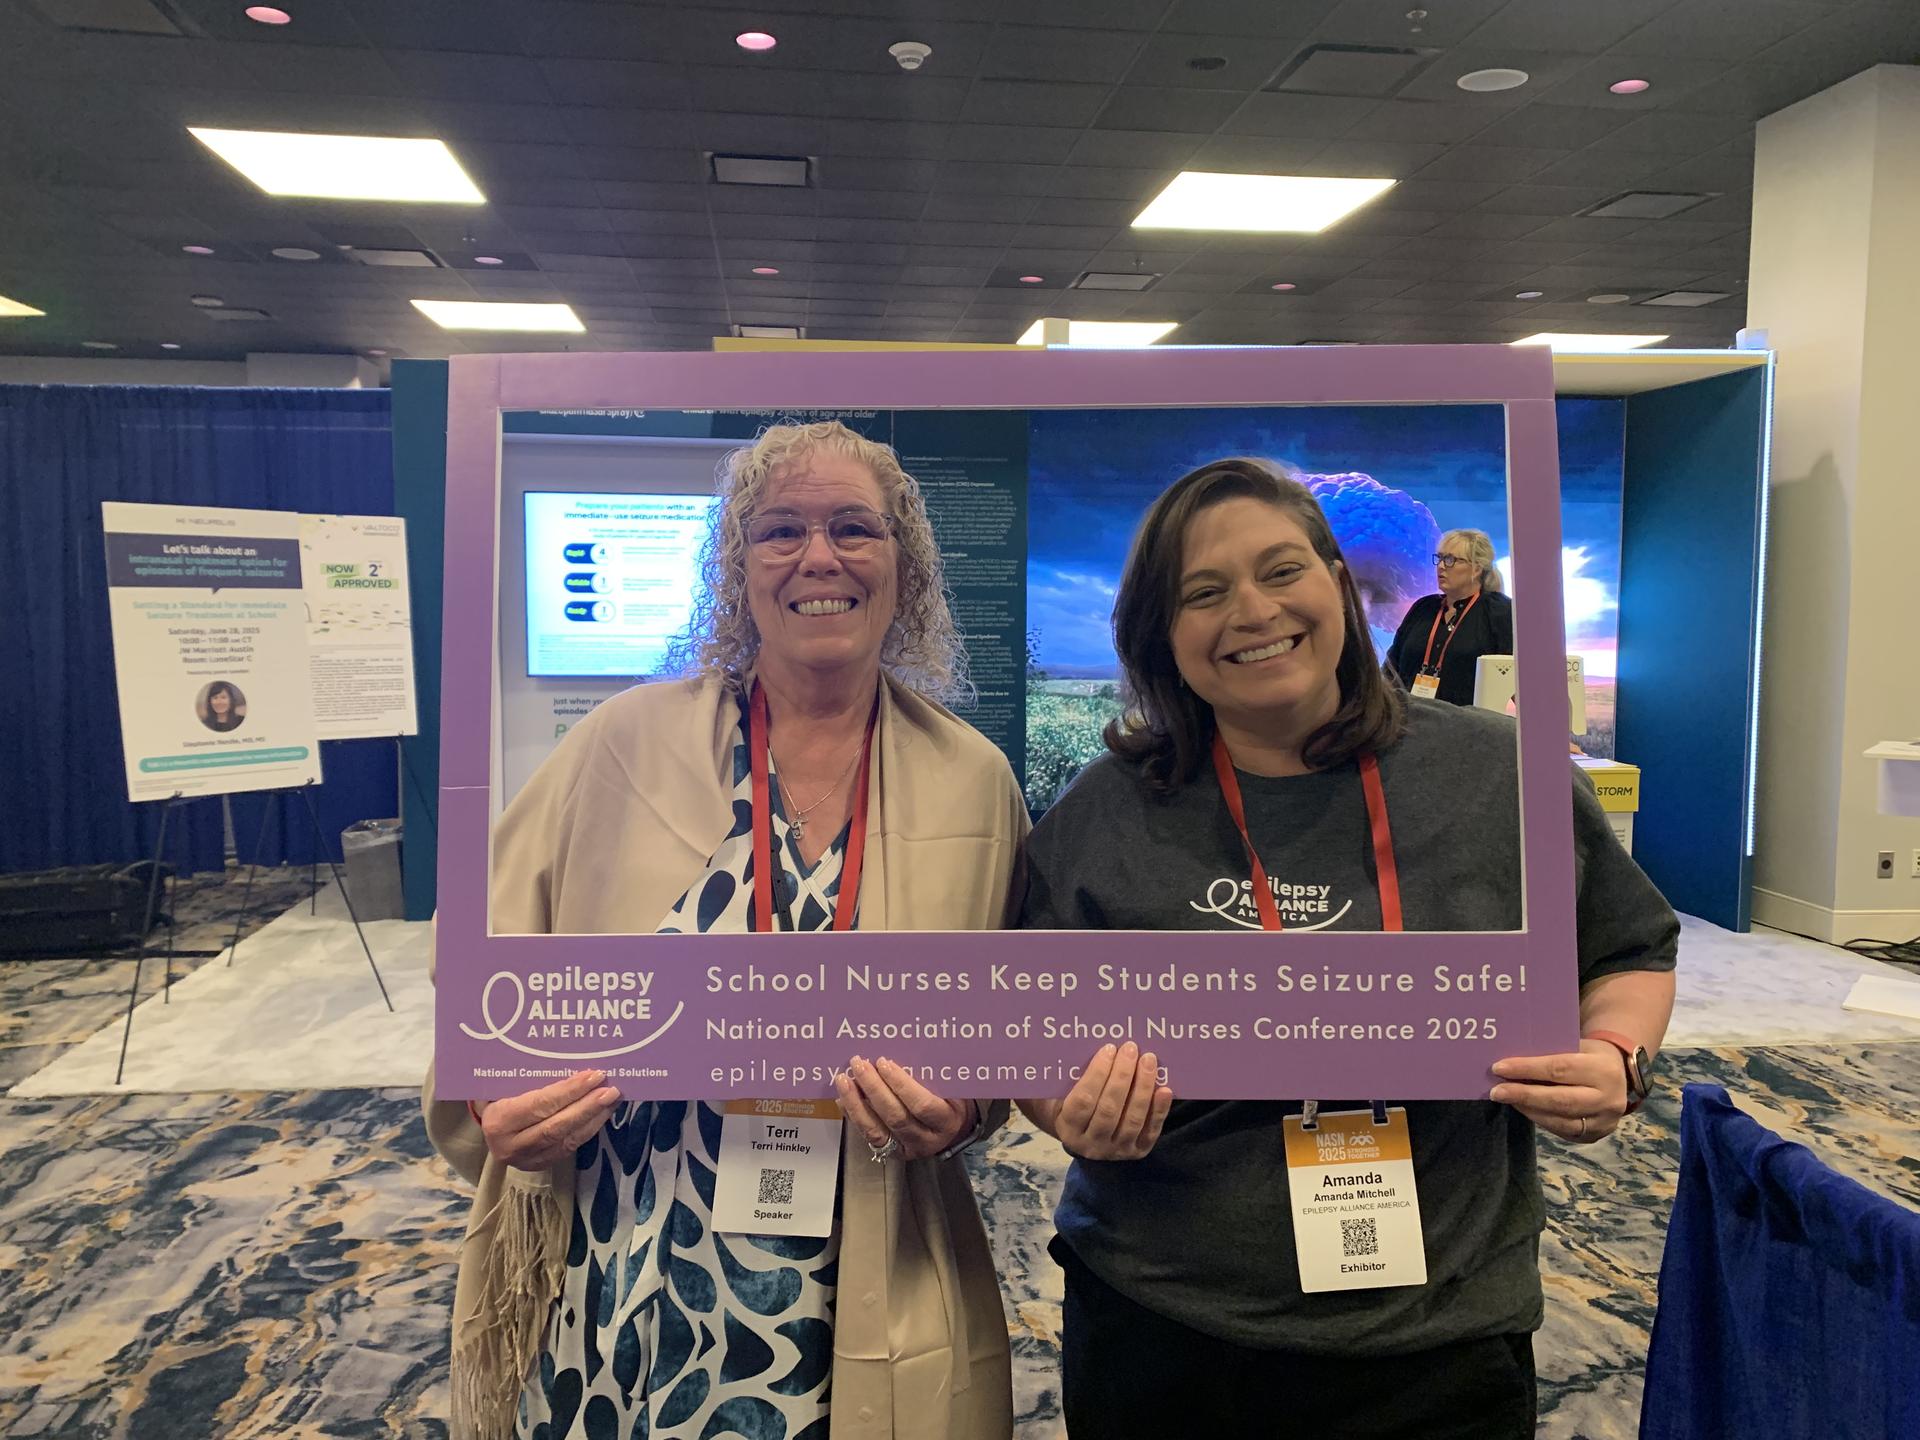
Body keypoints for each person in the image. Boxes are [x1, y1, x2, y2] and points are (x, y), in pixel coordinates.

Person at [1016, 458, 1676, 1439]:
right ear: (1161, 634)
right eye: (1203, 592)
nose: (1251, 609)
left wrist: (1614, 1057)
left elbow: (1628, 948)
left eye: (1282, 570)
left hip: (1436, 1334)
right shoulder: (1103, 809)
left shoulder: (1503, 776)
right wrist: (1064, 1105)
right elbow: (1028, 1025)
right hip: (1160, 1321)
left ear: (1340, 584)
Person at [424, 421, 1026, 1440]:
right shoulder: (623, 745)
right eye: (780, 530)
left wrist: (964, 1115)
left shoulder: (973, 781)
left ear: (904, 566)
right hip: (625, 1257)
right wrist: (491, 1102)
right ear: (737, 569)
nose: (819, 557)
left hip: (861, 1261)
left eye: (854, 529)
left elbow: (1006, 1036)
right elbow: (477, 961)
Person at [1384, 527, 1514, 706]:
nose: (1441, 566)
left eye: (1450, 559)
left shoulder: (1499, 612)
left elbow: (1517, 680)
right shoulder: (1423, 608)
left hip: (1469, 726)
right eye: (1440, 558)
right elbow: (1391, 669)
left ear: (1476, 569)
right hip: (1412, 721)